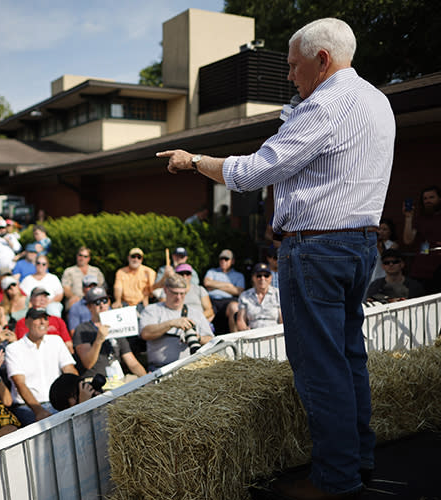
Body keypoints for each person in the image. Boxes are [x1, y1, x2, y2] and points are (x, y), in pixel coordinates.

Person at [158, 17, 395, 497]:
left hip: (318, 250)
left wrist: (194, 161)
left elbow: (254, 172)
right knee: (349, 358)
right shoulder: (377, 100)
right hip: (359, 246)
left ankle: (335, 480)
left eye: (293, 66)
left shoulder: (325, 105)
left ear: (322, 60)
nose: (289, 76)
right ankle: (358, 462)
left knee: (319, 367)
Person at [5, 308, 77, 425]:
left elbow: (69, 370)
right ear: (27, 322)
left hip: (58, 403)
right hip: (28, 407)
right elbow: (20, 383)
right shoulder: (13, 349)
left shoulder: (56, 341)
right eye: (37, 318)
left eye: (45, 318)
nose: (42, 322)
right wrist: (39, 411)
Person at [73, 287, 146, 387]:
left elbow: (132, 362)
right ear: (89, 307)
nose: (102, 305)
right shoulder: (82, 329)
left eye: (104, 300)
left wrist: (148, 380)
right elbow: (88, 363)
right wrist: (98, 340)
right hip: (95, 382)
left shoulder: (116, 326)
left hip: (118, 380)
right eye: (97, 302)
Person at [139, 276, 213, 370]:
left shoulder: (196, 313)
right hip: (160, 369)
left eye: (182, 293)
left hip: (191, 368)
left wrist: (198, 338)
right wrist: (171, 323)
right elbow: (145, 334)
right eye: (174, 293)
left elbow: (211, 340)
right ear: (165, 290)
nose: (178, 297)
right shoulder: (152, 310)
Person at [14, 288, 73, 352]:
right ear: (31, 299)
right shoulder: (24, 322)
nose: (42, 299)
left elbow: (68, 343)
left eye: (45, 296)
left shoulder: (58, 320)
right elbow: (21, 344)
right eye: (39, 296)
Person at [203, 249, 245, 333]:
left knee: (234, 307)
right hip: (211, 300)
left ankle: (235, 339)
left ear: (232, 261)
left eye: (226, 259)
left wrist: (215, 286)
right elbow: (207, 282)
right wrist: (228, 286)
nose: (223, 261)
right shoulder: (212, 271)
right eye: (221, 259)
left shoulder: (238, 275)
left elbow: (239, 291)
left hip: (228, 301)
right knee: (206, 312)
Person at [236, 263, 282, 331]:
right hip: (253, 335)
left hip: (274, 334)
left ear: (271, 278)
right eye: (258, 276)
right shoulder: (244, 296)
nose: (262, 278)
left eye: (266, 275)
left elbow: (282, 320)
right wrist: (246, 331)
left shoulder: (278, 294)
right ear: (253, 278)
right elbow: (241, 320)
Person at [370, 218, 399, 283]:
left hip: (384, 275)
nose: (381, 232)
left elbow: (384, 257)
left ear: (390, 231)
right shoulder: (372, 243)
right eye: (379, 229)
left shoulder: (392, 245)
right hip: (372, 275)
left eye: (384, 229)